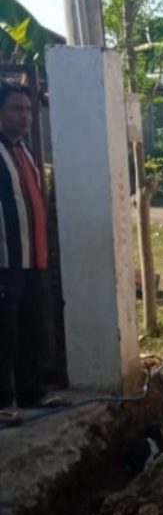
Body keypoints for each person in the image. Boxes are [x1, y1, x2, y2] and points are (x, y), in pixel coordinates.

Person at [0, 82, 56, 424]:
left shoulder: (26, 152)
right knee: (4, 332)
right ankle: (2, 403)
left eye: (28, 111)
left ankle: (31, 392)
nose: (25, 117)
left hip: (34, 258)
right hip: (5, 262)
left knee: (33, 326)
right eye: (16, 109)